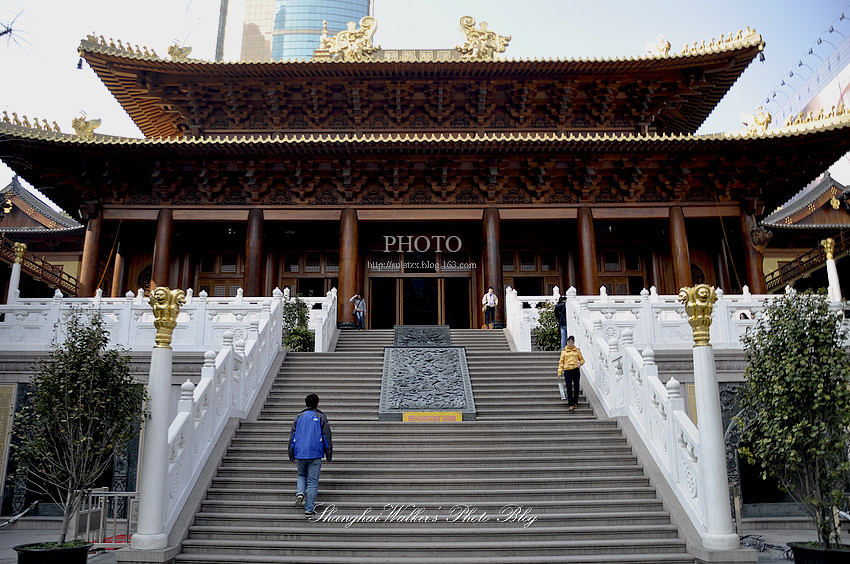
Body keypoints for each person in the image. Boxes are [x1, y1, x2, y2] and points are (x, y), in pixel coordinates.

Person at [289, 393, 333, 517]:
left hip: (300, 453)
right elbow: (327, 436)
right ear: (317, 403)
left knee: (301, 475)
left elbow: (292, 436)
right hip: (315, 453)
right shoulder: (321, 416)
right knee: (313, 482)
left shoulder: (299, 417)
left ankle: (300, 493)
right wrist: (328, 455)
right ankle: (309, 509)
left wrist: (291, 454)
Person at [557, 336, 585, 410]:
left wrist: (580, 363)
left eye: (571, 342)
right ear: (567, 343)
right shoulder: (564, 352)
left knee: (576, 386)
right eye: (569, 342)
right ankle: (570, 403)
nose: (570, 344)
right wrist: (560, 372)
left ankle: (575, 402)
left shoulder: (577, 351)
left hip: (575, 370)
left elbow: (582, 360)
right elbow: (561, 363)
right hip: (567, 370)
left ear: (573, 343)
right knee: (569, 386)